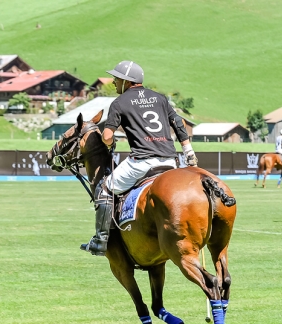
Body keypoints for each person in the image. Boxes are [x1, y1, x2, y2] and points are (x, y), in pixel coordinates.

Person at [81, 60, 198, 256]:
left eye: (117, 79)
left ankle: (101, 241)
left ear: (127, 81)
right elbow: (179, 123)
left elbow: (107, 136)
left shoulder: (119, 103)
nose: (114, 82)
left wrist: (109, 143)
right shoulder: (160, 98)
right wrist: (188, 151)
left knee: (105, 188)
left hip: (142, 162)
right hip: (170, 161)